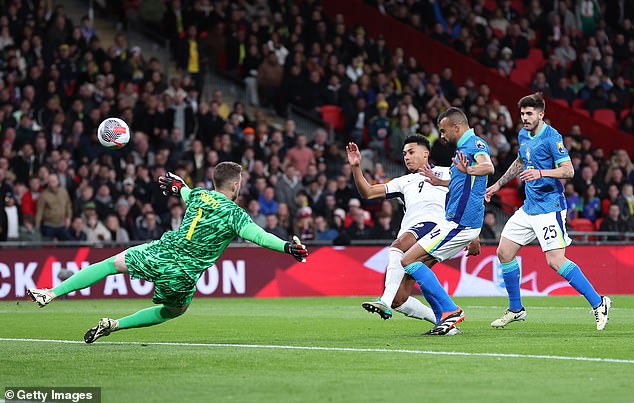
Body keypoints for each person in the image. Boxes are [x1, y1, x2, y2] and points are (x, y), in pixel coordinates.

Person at [27, 162, 309, 343]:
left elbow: (185, 192)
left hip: (162, 250)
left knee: (112, 263)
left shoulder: (198, 194)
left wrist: (180, 187)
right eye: (241, 182)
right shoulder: (235, 214)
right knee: (173, 311)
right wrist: (287, 247)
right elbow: (259, 236)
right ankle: (114, 325)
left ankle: (50, 293)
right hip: (182, 273)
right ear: (235, 185)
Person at [485, 93, 611, 330]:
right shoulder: (523, 134)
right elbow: (521, 162)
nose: (524, 118)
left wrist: (541, 173)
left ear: (541, 114)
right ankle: (516, 309)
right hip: (529, 207)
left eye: (529, 114)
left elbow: (569, 170)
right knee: (504, 252)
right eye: (522, 113)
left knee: (555, 261)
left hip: (549, 207)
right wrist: (498, 185)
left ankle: (599, 302)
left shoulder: (553, 138)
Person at [348, 135, 477, 334]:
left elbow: (467, 197)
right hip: (419, 237)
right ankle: (444, 322)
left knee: (398, 246)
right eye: (404, 154)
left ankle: (384, 300)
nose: (407, 157)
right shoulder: (403, 181)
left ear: (426, 154)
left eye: (411, 152)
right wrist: (356, 167)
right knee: (400, 299)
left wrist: (473, 235)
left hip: (436, 227)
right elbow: (368, 192)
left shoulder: (447, 171)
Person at [399, 107, 495, 335]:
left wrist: (470, 168)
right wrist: (437, 182)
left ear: (456, 127)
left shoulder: (475, 145)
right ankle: (443, 321)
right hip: (453, 220)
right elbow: (460, 184)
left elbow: (488, 166)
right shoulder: (463, 149)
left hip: (461, 223)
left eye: (443, 131)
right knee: (421, 266)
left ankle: (451, 311)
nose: (441, 136)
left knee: (408, 260)